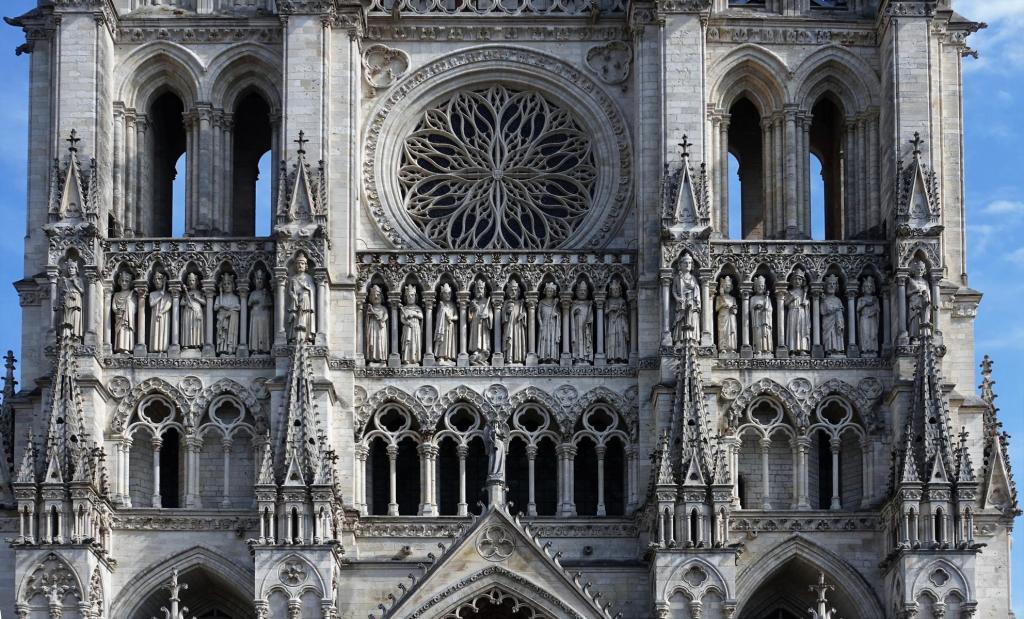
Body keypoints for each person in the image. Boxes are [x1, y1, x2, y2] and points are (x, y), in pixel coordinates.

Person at [214, 273, 241, 355]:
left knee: (229, 332)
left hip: (231, 321)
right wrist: (220, 306)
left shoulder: (235, 298)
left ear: (232, 285)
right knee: (222, 335)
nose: (226, 286)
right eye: (224, 284)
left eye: (228, 283)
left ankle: (231, 348)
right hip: (221, 319)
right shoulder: (219, 297)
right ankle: (222, 349)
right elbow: (215, 308)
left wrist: (230, 311)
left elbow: (238, 307)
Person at [248, 269, 272, 354]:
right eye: (258, 279)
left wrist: (265, 297)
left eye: (261, 279)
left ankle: (264, 348)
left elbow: (269, 303)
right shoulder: (253, 293)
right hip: (255, 315)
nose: (259, 281)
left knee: (263, 331)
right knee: (255, 331)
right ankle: (255, 348)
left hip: (264, 315)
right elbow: (249, 303)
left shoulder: (266, 293)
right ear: (254, 281)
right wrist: (254, 302)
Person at [433, 283, 458, 365]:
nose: (448, 295)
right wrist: (443, 312)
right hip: (442, 326)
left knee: (449, 340)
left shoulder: (452, 305)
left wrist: (452, 318)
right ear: (442, 294)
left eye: (449, 293)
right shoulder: (441, 304)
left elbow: (456, 316)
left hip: (450, 326)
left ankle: (448, 357)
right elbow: (438, 316)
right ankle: (441, 357)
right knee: (442, 340)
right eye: (446, 293)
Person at [365, 284, 389, 365]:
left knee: (381, 341)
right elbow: (367, 317)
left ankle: (382, 358)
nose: (376, 296)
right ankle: (372, 358)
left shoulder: (383, 308)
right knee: (373, 341)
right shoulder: (370, 308)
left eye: (378, 295)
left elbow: (386, 316)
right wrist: (371, 314)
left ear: (381, 296)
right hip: (373, 326)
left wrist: (382, 319)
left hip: (381, 327)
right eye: (373, 295)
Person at [181, 272, 205, 350]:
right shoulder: (186, 294)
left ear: (196, 282)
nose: (191, 282)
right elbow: (181, 303)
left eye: (193, 280)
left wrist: (196, 298)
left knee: (196, 328)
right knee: (188, 327)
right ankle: (186, 344)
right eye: (190, 281)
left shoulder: (199, 292)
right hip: (188, 312)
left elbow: (204, 302)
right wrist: (187, 302)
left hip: (196, 311)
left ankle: (196, 344)